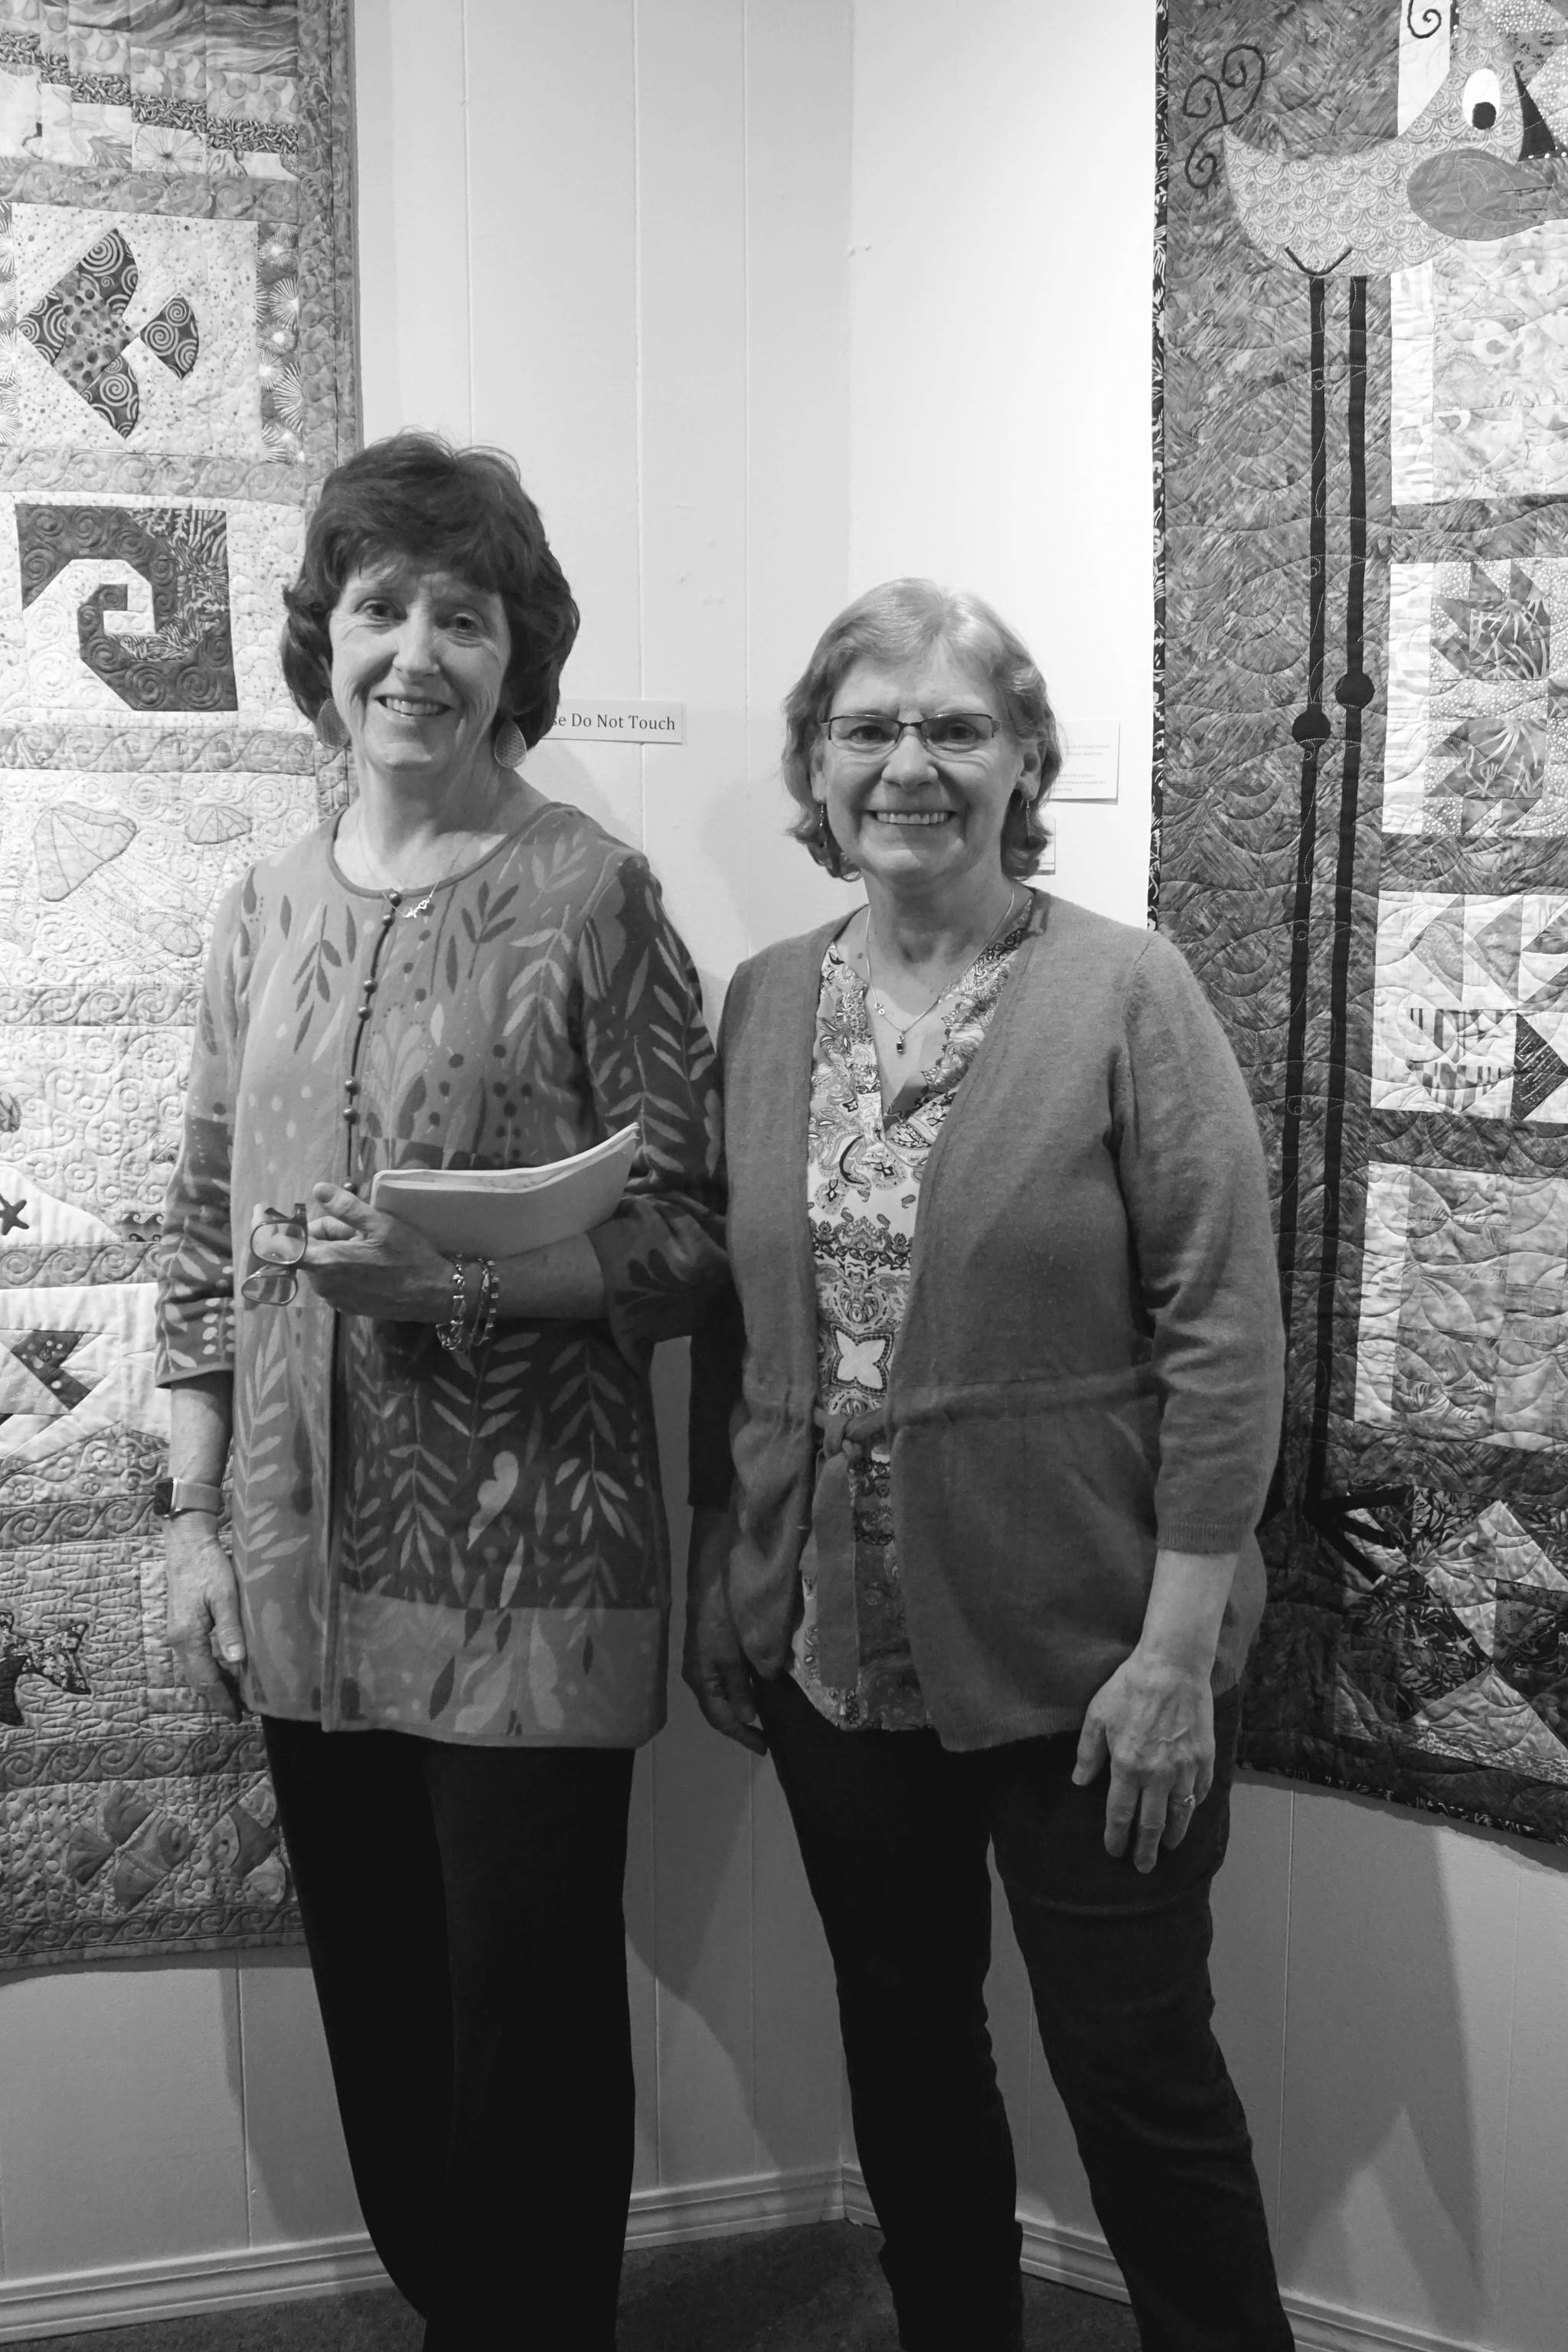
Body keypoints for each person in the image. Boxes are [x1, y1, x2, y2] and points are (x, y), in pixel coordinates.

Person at [155, 432, 726, 2351]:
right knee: (383, 2017)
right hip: (303, 1571)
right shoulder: (261, 907)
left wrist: (459, 1276)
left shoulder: (596, 898)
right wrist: (190, 1521)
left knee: (529, 2032)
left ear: (516, 660)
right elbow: (195, 1228)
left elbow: (694, 1235)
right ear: (324, 642)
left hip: (527, 1581)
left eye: (461, 618)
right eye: (381, 607)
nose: (417, 651)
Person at [684, 579, 1293, 2352]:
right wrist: (741, 1567)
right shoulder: (764, 1000)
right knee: (904, 2037)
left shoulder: (1122, 989)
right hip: (833, 1645)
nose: (910, 765)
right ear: (816, 762)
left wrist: (1178, 1656)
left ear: (1025, 759)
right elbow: (741, 1317)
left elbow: (1221, 1334)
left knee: (1137, 2073)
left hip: (1093, 1649)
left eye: (955, 727)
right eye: (868, 728)